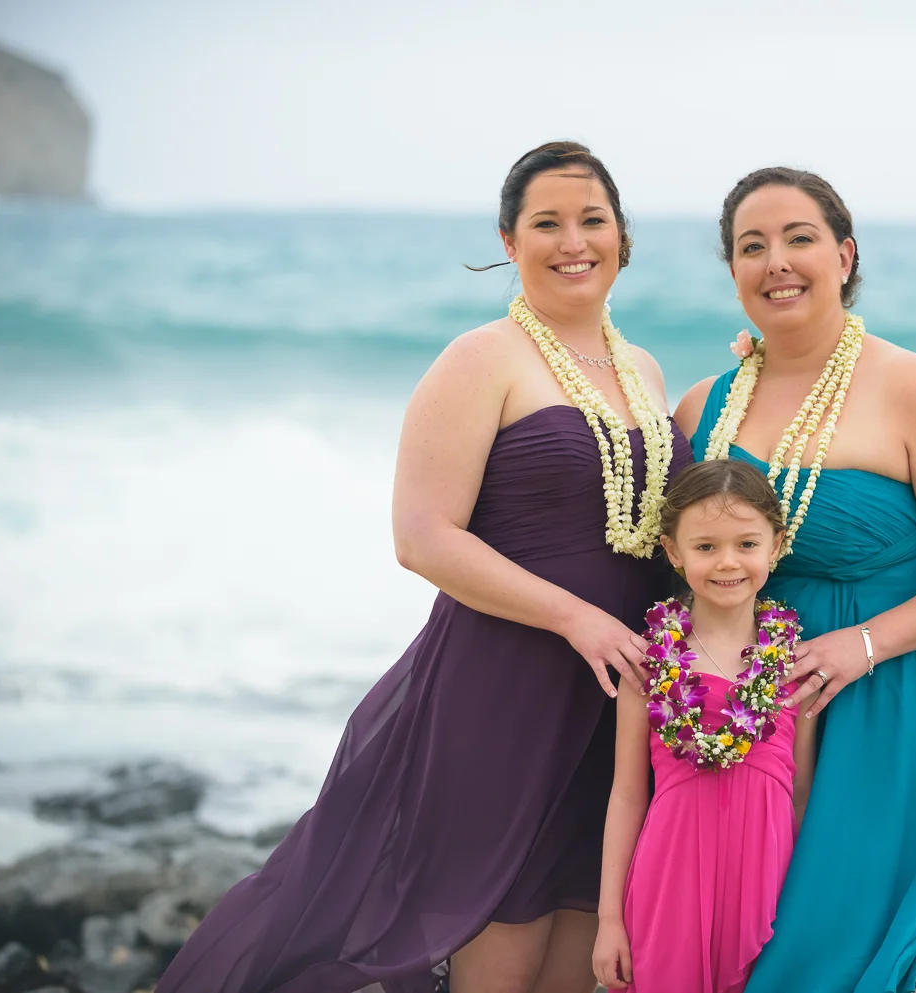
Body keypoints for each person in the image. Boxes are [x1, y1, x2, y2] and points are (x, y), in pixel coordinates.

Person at [153, 141, 692, 993]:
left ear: (623, 237)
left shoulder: (646, 370)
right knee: (496, 948)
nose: (573, 240)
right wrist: (572, 616)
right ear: (510, 243)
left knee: (583, 953)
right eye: (545, 222)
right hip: (505, 683)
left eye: (592, 220)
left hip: (615, 703)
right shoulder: (479, 359)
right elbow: (423, 536)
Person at [674, 166, 916, 993]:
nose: (776, 261)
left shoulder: (911, 388)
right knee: (733, 960)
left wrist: (864, 645)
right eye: (751, 246)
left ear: (844, 253)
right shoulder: (700, 411)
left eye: (799, 238)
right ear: (732, 271)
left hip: (889, 704)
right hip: (751, 721)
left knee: (829, 961)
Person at [591, 460, 819, 993]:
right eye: (705, 547)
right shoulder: (649, 667)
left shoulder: (796, 668)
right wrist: (608, 921)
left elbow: (802, 796)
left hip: (768, 880)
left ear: (776, 544)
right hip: (670, 879)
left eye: (746, 543)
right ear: (673, 551)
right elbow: (626, 795)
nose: (727, 563)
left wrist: (806, 910)